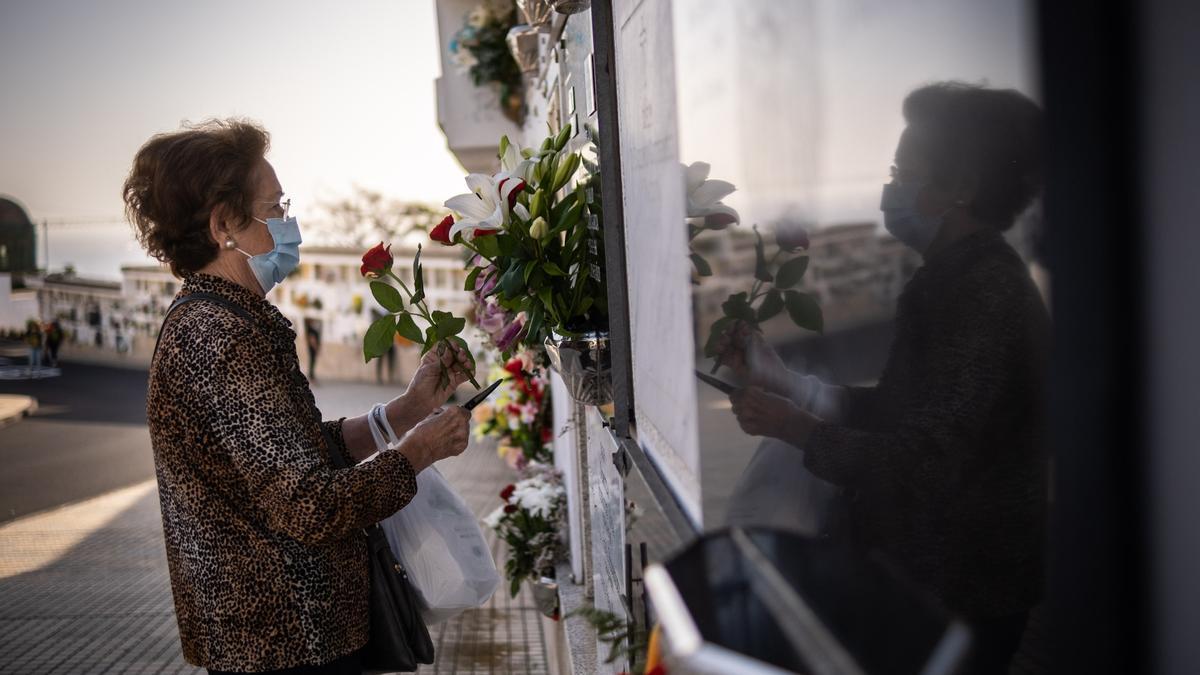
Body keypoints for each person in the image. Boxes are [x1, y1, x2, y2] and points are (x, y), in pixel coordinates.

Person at [716, 82, 1048, 675]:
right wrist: (787, 383)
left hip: (961, 594)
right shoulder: (953, 279)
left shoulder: (984, 294)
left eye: (903, 170)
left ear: (962, 190)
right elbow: (908, 412)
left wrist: (800, 429)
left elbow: (926, 461)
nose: (890, 187)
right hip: (932, 585)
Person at [124, 118, 474, 675]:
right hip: (285, 642)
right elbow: (310, 505)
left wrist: (407, 411)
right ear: (224, 226)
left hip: (295, 636)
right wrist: (419, 450)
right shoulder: (221, 337)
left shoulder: (228, 318)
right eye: (275, 206)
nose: (290, 221)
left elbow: (295, 456)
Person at [304, 318, 321, 384]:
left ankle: (311, 376)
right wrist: (316, 348)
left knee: (312, 362)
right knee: (312, 362)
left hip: (311, 348)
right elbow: (312, 340)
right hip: (312, 349)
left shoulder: (309, 330)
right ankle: (311, 376)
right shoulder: (311, 330)